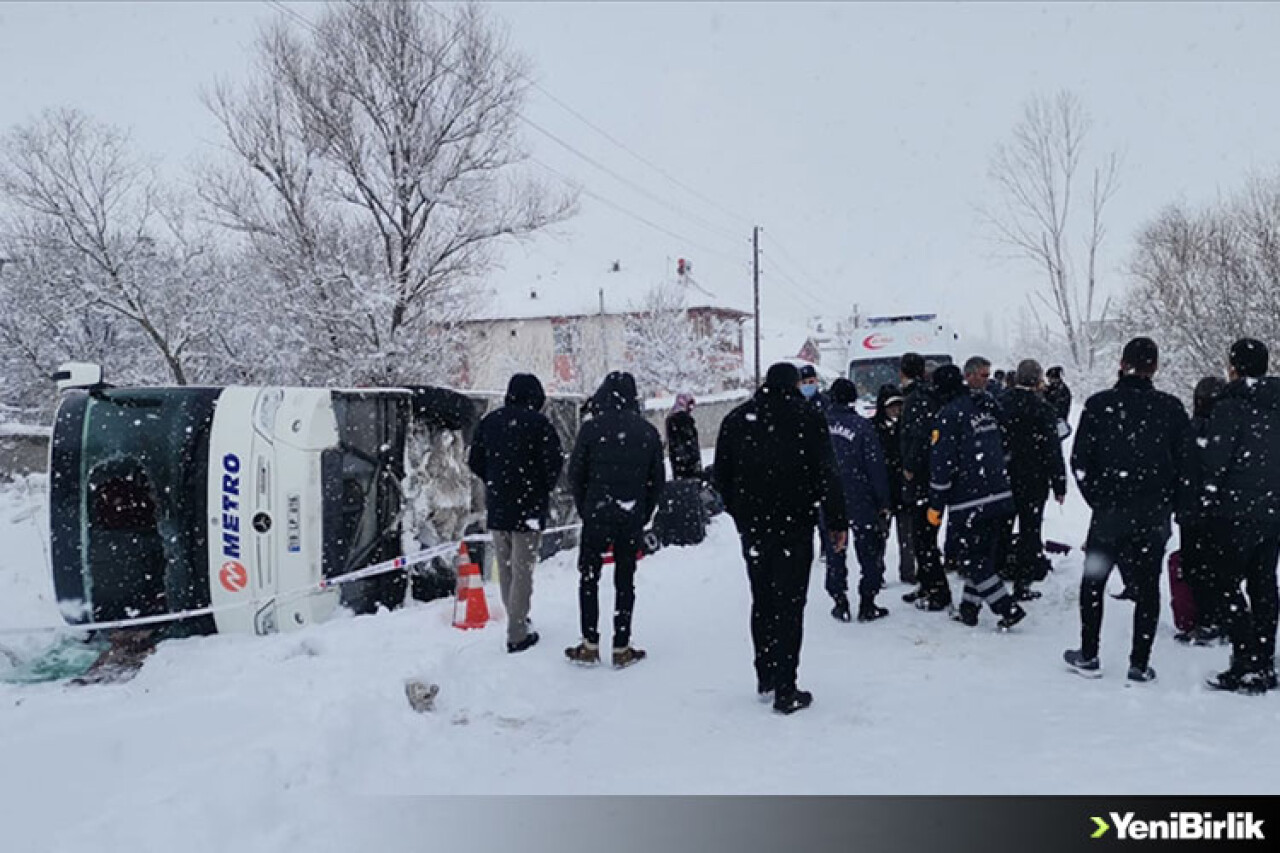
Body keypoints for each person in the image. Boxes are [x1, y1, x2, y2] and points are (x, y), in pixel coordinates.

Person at [715, 362, 848, 714]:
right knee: (790, 603)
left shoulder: (737, 420)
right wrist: (836, 521)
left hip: (755, 527)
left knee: (762, 598)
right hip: (795, 523)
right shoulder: (807, 418)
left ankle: (766, 673)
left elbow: (721, 476)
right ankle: (786, 687)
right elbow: (827, 472)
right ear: (794, 385)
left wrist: (740, 511)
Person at [1064, 337, 1190, 683]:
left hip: (1109, 514)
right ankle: (1139, 662)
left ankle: (1089, 653)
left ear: (1121, 363)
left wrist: (1100, 500)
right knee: (1148, 587)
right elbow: (1186, 466)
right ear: (1156, 367)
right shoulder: (1171, 409)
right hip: (1152, 515)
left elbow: (1080, 463)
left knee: (1094, 581)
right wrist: (1169, 504)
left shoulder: (1100, 405)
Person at [565, 372, 665, 669]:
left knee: (589, 577)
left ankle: (589, 643)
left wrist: (587, 508)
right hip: (630, 514)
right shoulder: (647, 432)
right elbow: (657, 481)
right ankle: (621, 646)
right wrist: (642, 512)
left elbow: (575, 475)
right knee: (625, 579)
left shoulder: (590, 430)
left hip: (597, 512)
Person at [1201, 340, 1280, 695]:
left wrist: (1203, 499)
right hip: (1273, 510)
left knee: (1226, 584)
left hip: (1234, 511)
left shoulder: (1230, 407)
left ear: (1233, 367)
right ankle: (1263, 656)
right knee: (1264, 583)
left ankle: (1245, 657)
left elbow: (1215, 462)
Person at [467, 374, 565, 653]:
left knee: (506, 567)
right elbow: (554, 463)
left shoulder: (490, 421)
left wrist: (496, 480)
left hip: (498, 507)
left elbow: (475, 460)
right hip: (529, 508)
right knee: (523, 570)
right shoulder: (540, 425)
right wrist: (539, 487)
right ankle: (517, 632)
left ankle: (515, 617)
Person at [927, 361, 1026, 630]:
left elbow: (942, 464)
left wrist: (936, 503)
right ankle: (969, 608)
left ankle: (1007, 608)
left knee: (972, 561)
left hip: (970, 500)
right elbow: (1006, 445)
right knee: (980, 556)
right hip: (1000, 494)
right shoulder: (987, 408)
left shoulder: (948, 415)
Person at [998, 359, 1068, 601]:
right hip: (1033, 479)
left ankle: (996, 575)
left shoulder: (1001, 404)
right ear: (1038, 379)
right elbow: (1052, 450)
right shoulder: (1043, 409)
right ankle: (1023, 582)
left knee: (1002, 528)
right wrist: (1059, 483)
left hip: (1003, 477)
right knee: (1030, 529)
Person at [825, 378, 892, 622]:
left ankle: (839, 600)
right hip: (860, 497)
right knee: (868, 551)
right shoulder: (862, 427)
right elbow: (875, 466)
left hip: (830, 499)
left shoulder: (820, 426)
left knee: (835, 551)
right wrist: (883, 499)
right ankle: (868, 601)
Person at [1175, 375, 1228, 646]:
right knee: (1221, 566)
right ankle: (1222, 616)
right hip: (1223, 511)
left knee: (1195, 566)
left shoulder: (1189, 430)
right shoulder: (1229, 431)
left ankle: (1204, 619)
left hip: (1192, 509)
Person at [899, 352, 950, 611]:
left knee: (923, 537)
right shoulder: (928, 395)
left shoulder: (917, 399)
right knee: (922, 536)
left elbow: (918, 436)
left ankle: (937, 590)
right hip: (931, 477)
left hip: (921, 479)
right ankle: (927, 583)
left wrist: (909, 465)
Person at [872, 383, 915, 584]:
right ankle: (876, 572)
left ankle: (908, 572)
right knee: (880, 535)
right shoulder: (872, 428)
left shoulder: (907, 426)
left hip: (904, 489)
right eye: (891, 406)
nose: (896, 410)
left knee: (907, 536)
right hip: (882, 490)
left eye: (899, 405)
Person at [665, 392, 701, 479]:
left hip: (678, 462)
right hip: (687, 462)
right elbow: (689, 441)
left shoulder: (671, 418)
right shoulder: (683, 419)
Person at [1045, 366, 1073, 436]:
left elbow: (1058, 408)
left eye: (1049, 378)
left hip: (1057, 422)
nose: (1048, 381)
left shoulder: (1061, 391)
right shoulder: (1053, 389)